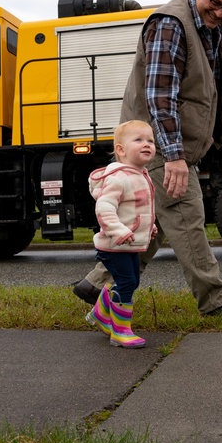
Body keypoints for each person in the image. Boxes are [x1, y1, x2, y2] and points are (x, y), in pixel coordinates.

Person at [73, 0, 222, 320]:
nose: (220, 12)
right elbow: (160, 96)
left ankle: (97, 283)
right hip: (156, 145)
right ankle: (216, 301)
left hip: (170, 145)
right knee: (187, 216)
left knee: (151, 225)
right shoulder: (172, 24)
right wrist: (174, 156)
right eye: (216, 2)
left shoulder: (213, 28)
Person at [85, 120, 158, 349]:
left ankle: (100, 312)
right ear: (120, 150)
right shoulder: (119, 178)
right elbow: (104, 209)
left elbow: (138, 210)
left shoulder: (141, 175)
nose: (146, 144)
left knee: (132, 280)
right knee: (126, 283)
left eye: (150, 140)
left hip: (129, 243)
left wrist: (149, 227)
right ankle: (120, 331)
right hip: (114, 244)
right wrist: (119, 231)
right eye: (138, 140)